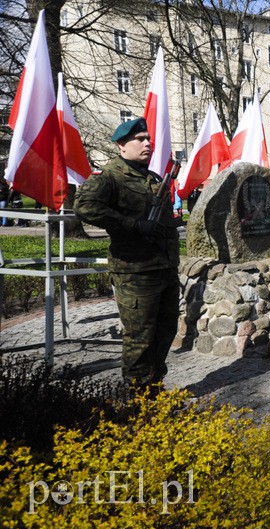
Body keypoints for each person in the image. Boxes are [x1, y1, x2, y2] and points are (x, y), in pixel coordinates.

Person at [74, 117, 183, 392]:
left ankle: (154, 388)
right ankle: (137, 397)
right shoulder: (110, 176)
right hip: (135, 270)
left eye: (148, 138)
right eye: (140, 139)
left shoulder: (153, 178)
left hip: (163, 267)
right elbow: (85, 207)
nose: (147, 143)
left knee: (165, 331)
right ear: (122, 145)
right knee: (140, 336)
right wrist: (133, 224)